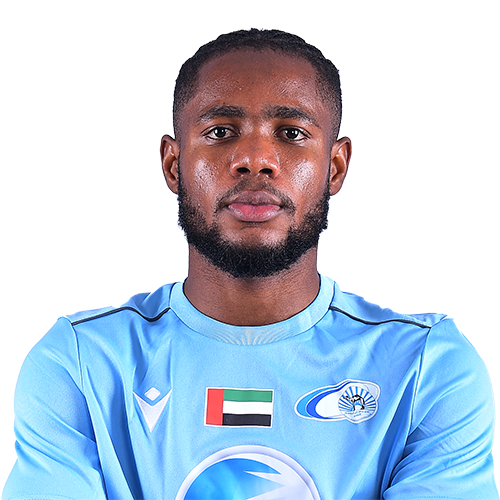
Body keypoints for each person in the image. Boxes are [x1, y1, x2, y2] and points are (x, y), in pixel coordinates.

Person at [3, 28, 497, 500]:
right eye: (220, 131)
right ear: (173, 165)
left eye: (291, 133)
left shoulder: (426, 367)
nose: (256, 158)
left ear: (335, 167)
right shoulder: (81, 362)